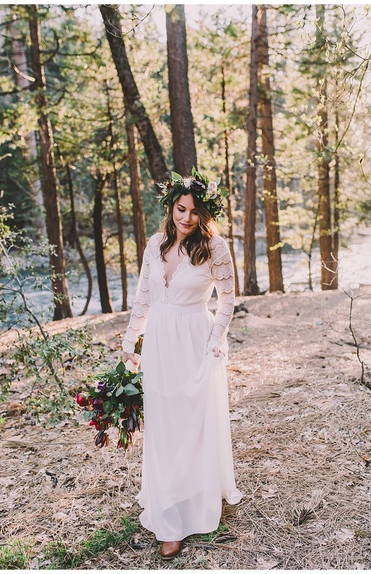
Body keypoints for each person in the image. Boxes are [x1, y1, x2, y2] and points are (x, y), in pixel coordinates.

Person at [121, 168, 242, 558]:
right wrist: (130, 343)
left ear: (204, 214)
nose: (185, 217)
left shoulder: (215, 247)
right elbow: (143, 297)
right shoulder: (155, 244)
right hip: (158, 342)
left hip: (195, 340)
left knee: (192, 423)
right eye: (180, 209)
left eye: (193, 211)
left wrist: (215, 341)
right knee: (164, 423)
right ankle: (166, 507)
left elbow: (227, 300)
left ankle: (190, 505)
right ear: (170, 207)